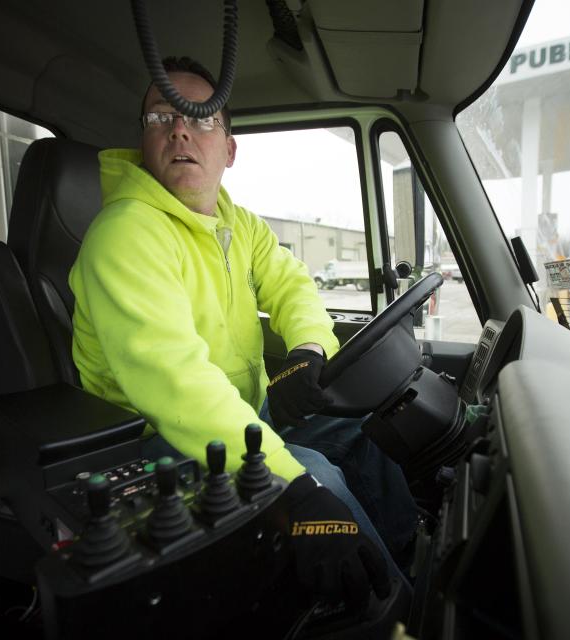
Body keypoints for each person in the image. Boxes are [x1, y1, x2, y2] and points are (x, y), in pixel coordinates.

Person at [68, 56, 416, 608]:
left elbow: (291, 285)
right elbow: (175, 382)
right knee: (317, 473)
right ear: (144, 141)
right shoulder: (125, 234)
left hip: (243, 412)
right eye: (161, 118)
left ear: (229, 149)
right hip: (160, 439)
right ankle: (391, 611)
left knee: (361, 427)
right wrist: (298, 492)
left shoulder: (237, 222)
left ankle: (409, 559)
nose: (181, 128)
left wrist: (307, 351)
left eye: (202, 118)